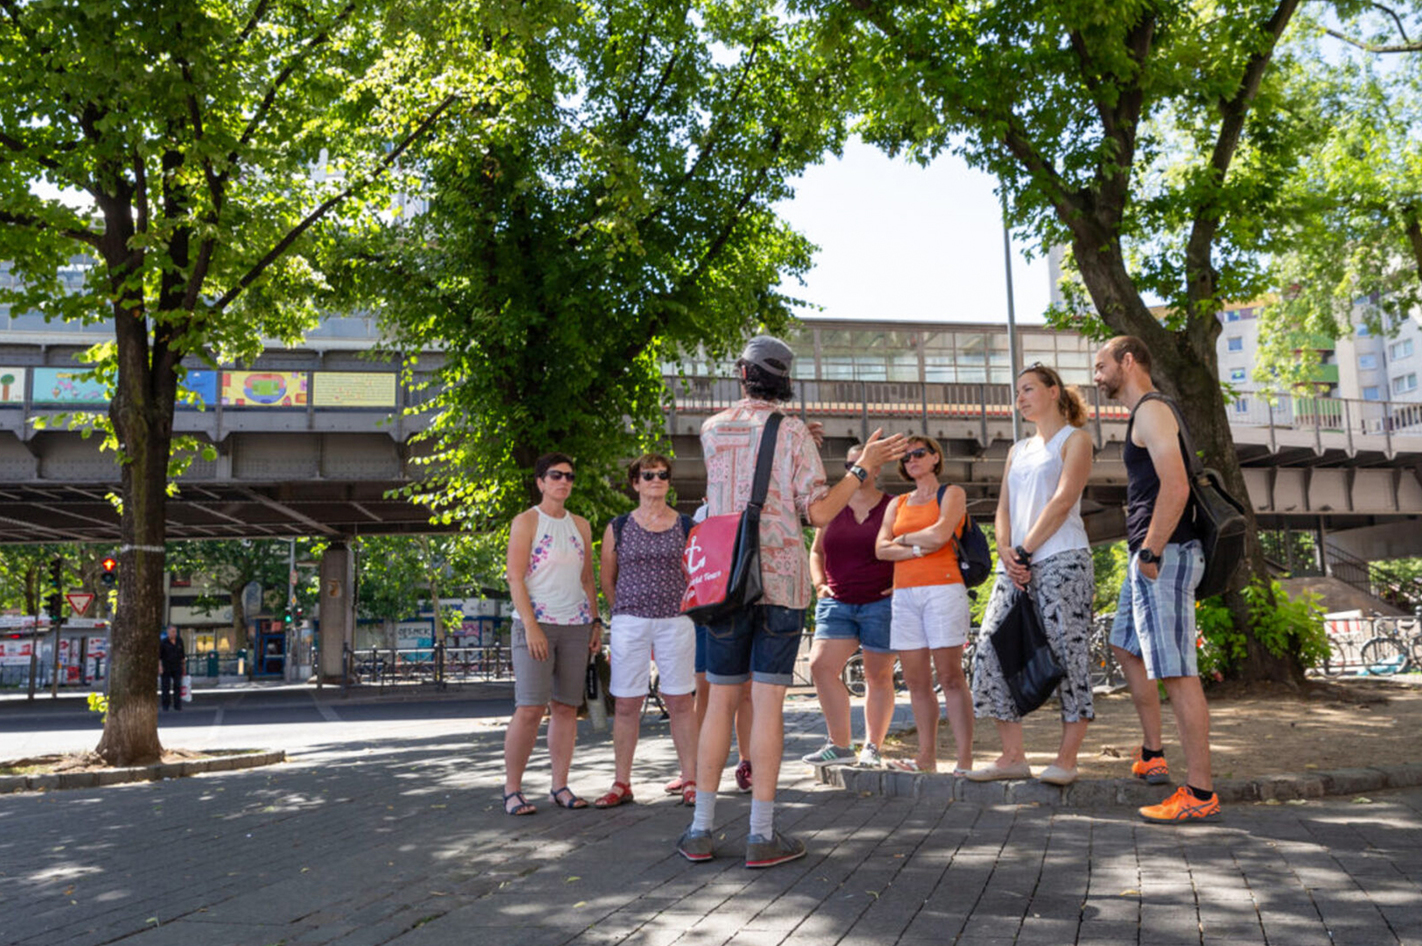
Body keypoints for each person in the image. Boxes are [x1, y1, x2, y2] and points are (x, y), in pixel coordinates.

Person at [676, 335, 905, 868]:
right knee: (770, 704)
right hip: (778, 580)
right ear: (785, 379)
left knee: (721, 704)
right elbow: (820, 512)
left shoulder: (712, 428)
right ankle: (761, 835)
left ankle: (700, 830)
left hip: (726, 582)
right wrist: (862, 468)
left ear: (742, 374)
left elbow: (742, 475)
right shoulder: (796, 432)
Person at [1093, 336, 1219, 822]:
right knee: (1126, 646)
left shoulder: (1151, 409)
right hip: (1147, 559)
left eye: (1101, 365)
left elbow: (1177, 484)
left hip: (1162, 555)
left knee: (1178, 673)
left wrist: (1151, 549)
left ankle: (1201, 795)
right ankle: (1153, 754)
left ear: (1128, 361)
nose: (1097, 375)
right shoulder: (1143, 414)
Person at [966, 364, 1094, 785]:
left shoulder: (1075, 440)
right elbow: (1002, 508)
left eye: (1027, 389)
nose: (1019, 398)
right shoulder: (1016, 450)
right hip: (1015, 566)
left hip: (1062, 559)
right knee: (988, 649)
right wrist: (1006, 550)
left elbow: (1063, 500)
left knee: (1067, 654)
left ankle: (1067, 759)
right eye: (1016, 391)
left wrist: (1025, 548)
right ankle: (1012, 756)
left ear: (1053, 391)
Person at [594, 454, 698, 808]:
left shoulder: (686, 525)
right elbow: (607, 578)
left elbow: (694, 574)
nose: (656, 479)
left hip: (676, 620)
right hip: (630, 622)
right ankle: (622, 782)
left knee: (680, 701)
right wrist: (623, 610)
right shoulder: (618, 526)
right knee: (626, 703)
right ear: (635, 482)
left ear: (669, 482)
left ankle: (691, 778)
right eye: (648, 474)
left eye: (663, 475)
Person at [502, 452, 601, 816]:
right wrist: (530, 626)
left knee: (565, 708)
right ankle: (512, 790)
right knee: (529, 708)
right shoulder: (526, 521)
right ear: (541, 482)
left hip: (576, 625)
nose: (564, 481)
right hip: (536, 625)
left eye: (569, 477)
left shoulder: (582, 525)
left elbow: (587, 579)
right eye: (555, 475)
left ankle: (559, 785)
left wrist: (595, 622)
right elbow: (515, 577)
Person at [874, 436, 974, 774]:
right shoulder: (897, 503)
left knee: (951, 677)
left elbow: (941, 535)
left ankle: (964, 760)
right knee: (916, 682)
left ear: (934, 458)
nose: (911, 460)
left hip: (943, 589)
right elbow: (880, 549)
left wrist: (901, 540)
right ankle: (926, 757)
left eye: (918, 453)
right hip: (905, 594)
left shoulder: (952, 494)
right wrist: (916, 546)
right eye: (905, 457)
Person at [801, 443, 897, 769]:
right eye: (849, 463)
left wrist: (901, 583)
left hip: (880, 603)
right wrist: (819, 585)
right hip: (837, 602)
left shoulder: (892, 506)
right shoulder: (833, 505)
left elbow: (908, 547)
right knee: (820, 666)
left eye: (863, 462)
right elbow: (817, 553)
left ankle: (872, 746)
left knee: (878, 676)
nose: (855, 468)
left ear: (878, 467)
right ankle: (840, 744)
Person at [159, 625, 185, 711]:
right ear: (168, 632)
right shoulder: (163, 642)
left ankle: (177, 705)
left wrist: (184, 667)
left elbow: (182, 656)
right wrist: (160, 667)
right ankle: (165, 705)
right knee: (165, 687)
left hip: (177, 666)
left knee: (177, 685)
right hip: (166, 667)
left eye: (175, 632)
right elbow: (159, 657)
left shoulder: (179, 641)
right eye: (172, 632)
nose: (174, 634)